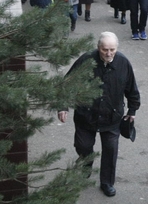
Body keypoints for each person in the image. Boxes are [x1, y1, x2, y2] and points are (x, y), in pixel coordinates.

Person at [58, 32, 141, 197]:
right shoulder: (86, 60)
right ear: (98, 48)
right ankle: (86, 165)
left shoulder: (123, 63)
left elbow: (132, 88)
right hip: (86, 115)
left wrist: (132, 110)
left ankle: (107, 182)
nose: (109, 53)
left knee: (110, 149)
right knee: (83, 146)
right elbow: (67, 84)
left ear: (116, 49)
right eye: (105, 50)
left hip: (112, 117)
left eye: (112, 50)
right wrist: (63, 106)